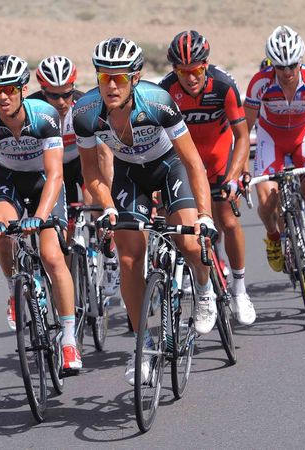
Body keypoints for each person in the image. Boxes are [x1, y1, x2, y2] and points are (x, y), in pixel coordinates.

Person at [73, 37, 218, 385]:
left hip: (169, 166)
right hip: (129, 173)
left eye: (119, 78)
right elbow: (91, 173)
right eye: (104, 76)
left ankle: (204, 288)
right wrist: (108, 206)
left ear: (135, 77)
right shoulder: (85, 113)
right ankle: (143, 344)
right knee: (128, 258)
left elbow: (193, 163)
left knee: (189, 241)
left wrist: (205, 215)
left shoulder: (158, 102)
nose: (111, 85)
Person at [0, 55, 81, 372]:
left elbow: (56, 173)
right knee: (2, 234)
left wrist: (41, 217)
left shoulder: (45, 116)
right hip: (9, 180)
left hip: (45, 181)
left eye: (9, 89)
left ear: (23, 89)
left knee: (52, 256)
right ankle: (12, 290)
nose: (3, 96)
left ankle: (69, 340)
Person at [160, 30, 256, 325]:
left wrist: (234, 176)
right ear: (174, 70)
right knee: (182, 228)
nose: (190, 78)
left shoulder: (224, 85)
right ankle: (200, 282)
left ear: (206, 65)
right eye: (183, 72)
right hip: (185, 163)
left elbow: (242, 136)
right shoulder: (166, 91)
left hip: (218, 160)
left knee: (228, 220)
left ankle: (240, 289)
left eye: (197, 71)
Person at [243, 25, 305, 295]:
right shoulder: (259, 83)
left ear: (301, 61)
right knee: (266, 202)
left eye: (292, 65)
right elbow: (244, 129)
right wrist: (242, 169)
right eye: (280, 66)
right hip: (270, 137)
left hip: (304, 135)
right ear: (271, 64)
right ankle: (274, 236)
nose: (287, 72)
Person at [29, 55, 119, 296]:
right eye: (53, 95)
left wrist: (107, 200)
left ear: (73, 88)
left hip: (81, 163)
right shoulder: (33, 110)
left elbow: (104, 154)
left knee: (96, 203)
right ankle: (68, 286)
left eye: (66, 94)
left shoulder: (85, 106)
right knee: (64, 235)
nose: (61, 102)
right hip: (52, 169)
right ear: (42, 91)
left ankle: (109, 252)